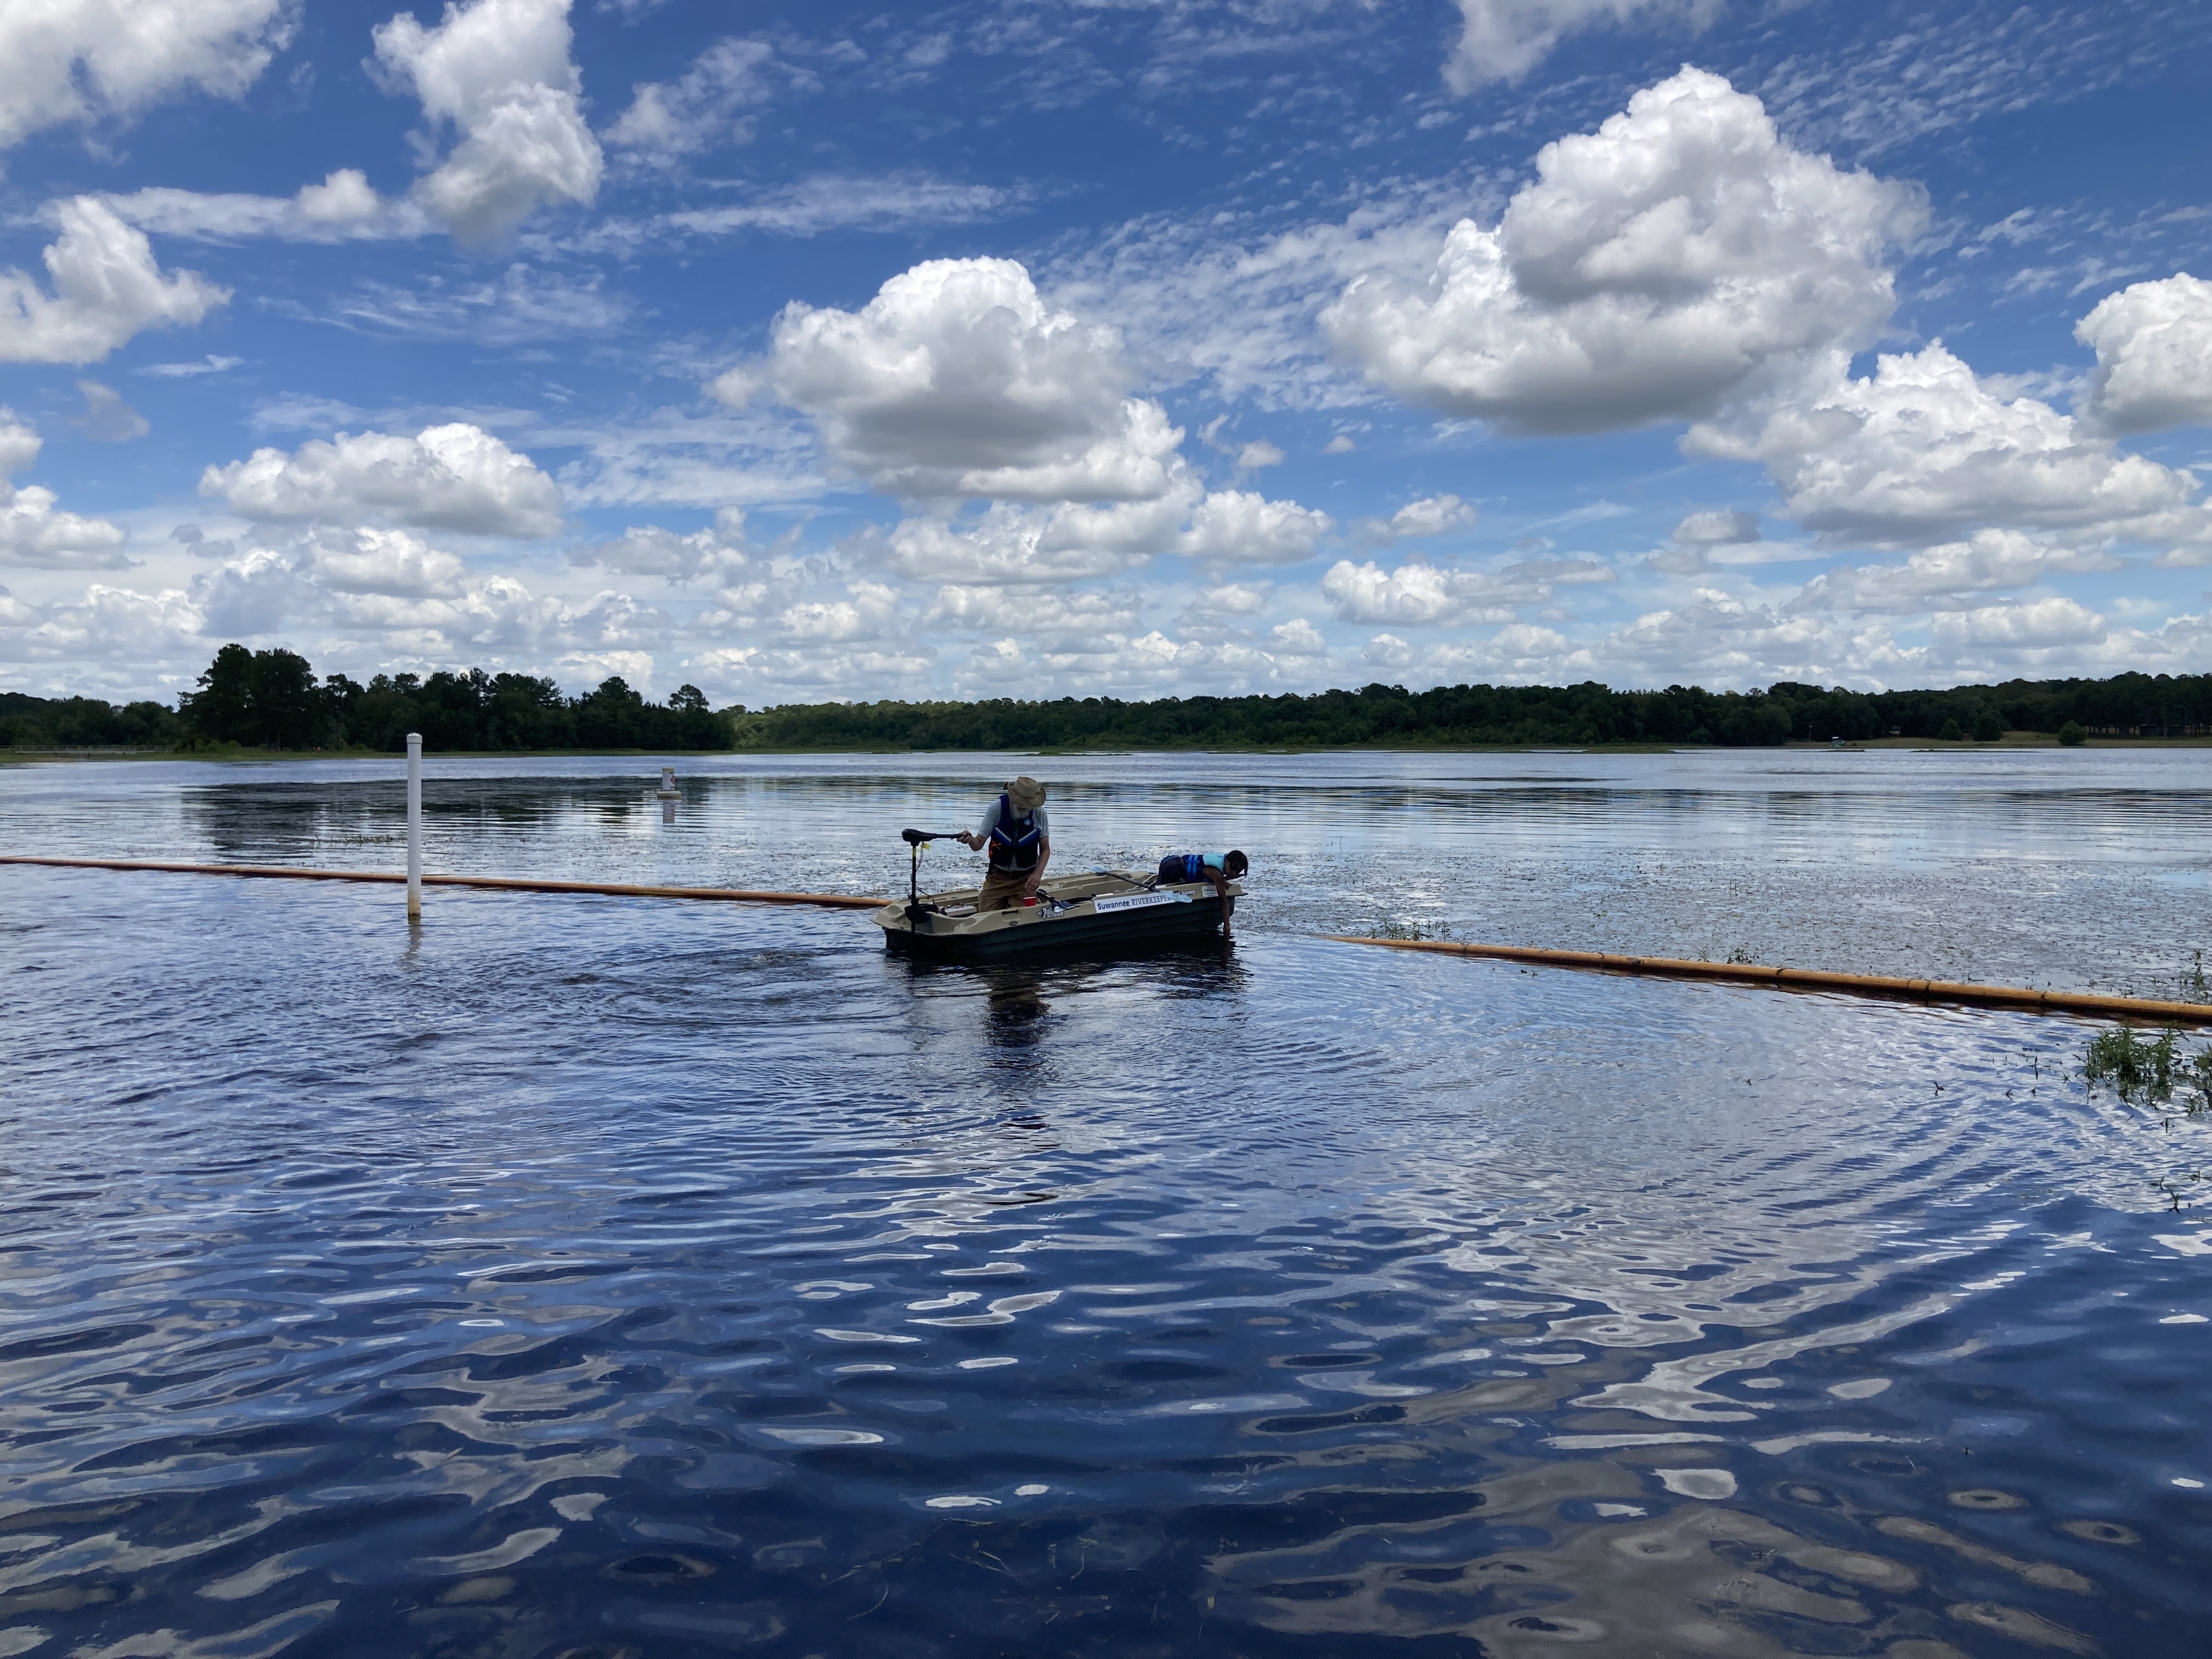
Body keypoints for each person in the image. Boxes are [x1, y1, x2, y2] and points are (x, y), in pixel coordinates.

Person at [960, 775, 1051, 911]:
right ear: (1013, 799)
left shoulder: (1040, 813)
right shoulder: (996, 809)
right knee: (984, 917)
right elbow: (978, 844)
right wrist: (970, 840)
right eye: (1021, 805)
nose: (1024, 809)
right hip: (997, 878)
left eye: (1028, 806)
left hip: (1025, 880)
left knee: (1025, 918)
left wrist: (1037, 874)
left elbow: (1045, 849)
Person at [1155, 849, 1248, 937]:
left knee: (1160, 885)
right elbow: (1223, 901)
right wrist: (1227, 926)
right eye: (1232, 869)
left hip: (1171, 861)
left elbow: (1207, 873)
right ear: (1226, 861)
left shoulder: (1219, 869)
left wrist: (1223, 881)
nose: (1234, 873)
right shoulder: (1217, 874)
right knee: (1160, 888)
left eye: (1238, 872)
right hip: (1174, 866)